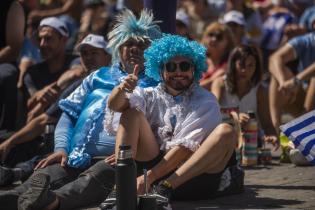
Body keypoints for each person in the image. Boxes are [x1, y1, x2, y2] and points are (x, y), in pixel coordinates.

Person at [0, 9, 162, 210]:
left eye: (142, 44)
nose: (134, 49)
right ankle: (15, 199)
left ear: (152, 51)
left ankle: (51, 201)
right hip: (74, 155)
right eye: (129, 43)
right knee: (45, 173)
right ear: (119, 48)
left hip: (115, 162)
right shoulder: (97, 76)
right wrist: (60, 148)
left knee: (97, 178)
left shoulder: (158, 85)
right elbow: (68, 115)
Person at [107, 34, 243, 206]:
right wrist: (122, 88)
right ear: (161, 70)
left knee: (226, 131)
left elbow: (185, 148)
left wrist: (149, 178)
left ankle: (164, 189)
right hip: (150, 173)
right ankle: (121, 186)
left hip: (191, 178)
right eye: (171, 66)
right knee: (131, 113)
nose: (178, 72)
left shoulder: (205, 100)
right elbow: (115, 105)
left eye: (184, 66)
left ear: (194, 70)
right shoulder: (149, 94)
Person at [0, 34, 111, 186]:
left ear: (108, 57)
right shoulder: (79, 85)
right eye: (84, 53)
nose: (88, 58)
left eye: (94, 53)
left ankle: (18, 173)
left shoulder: (119, 81)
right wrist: (9, 143)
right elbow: (44, 118)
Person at [211, 45, 278, 149]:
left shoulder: (260, 89)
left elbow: (267, 123)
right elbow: (212, 111)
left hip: (251, 143)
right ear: (233, 64)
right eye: (241, 64)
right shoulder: (220, 84)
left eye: (250, 65)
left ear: (256, 67)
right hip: (223, 139)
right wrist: (235, 117)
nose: (244, 70)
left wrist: (272, 136)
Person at [23, 17, 79, 123]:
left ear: (64, 40)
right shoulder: (32, 72)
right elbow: (29, 105)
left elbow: (76, 73)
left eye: (48, 39)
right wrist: (38, 96)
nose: (42, 44)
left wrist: (48, 92)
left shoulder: (75, 61)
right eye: (40, 39)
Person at [269, 31, 315, 135]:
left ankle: (306, 129)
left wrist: (296, 81)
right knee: (277, 74)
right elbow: (274, 59)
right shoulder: (306, 40)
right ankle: (275, 129)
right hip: (304, 99)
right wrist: (283, 83)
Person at [0, 0, 25, 131]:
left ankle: (5, 131)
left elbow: (13, 48)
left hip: (4, 61)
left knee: (5, 76)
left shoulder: (12, 7)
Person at [199, 22, 235, 90]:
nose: (213, 39)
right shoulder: (196, 59)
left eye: (219, 37)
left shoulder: (230, 64)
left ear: (228, 42)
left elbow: (200, 88)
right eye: (210, 35)